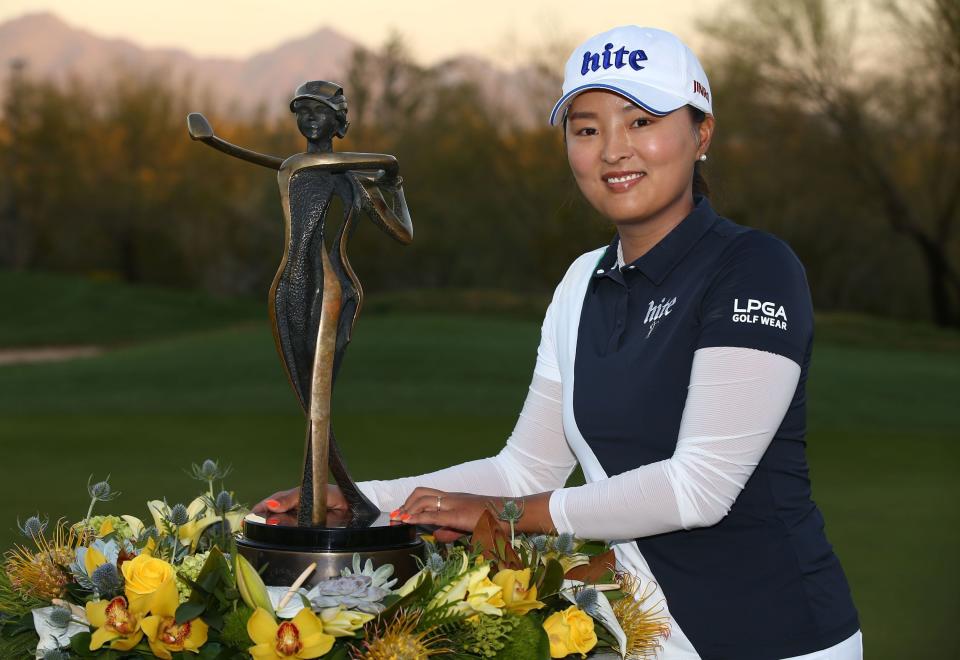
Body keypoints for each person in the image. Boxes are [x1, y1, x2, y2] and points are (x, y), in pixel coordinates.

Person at [254, 26, 861, 659]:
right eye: (587, 128)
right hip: (640, 635)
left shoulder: (754, 266)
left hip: (780, 639)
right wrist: (361, 502)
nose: (613, 151)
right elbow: (524, 469)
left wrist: (510, 515)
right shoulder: (580, 282)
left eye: (642, 120)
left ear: (701, 133)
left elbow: (698, 488)